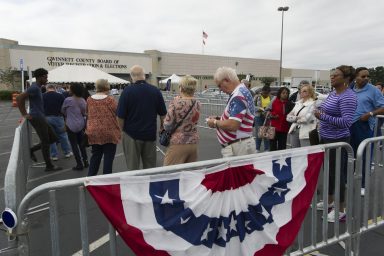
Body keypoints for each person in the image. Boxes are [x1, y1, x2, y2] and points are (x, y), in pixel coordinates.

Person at [314, 65, 357, 223]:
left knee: (338, 174)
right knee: (329, 172)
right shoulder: (333, 93)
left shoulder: (347, 96)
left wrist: (322, 116)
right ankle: (330, 202)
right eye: (332, 75)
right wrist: (319, 110)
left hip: (338, 140)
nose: (332, 77)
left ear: (346, 78)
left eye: (336, 75)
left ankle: (341, 210)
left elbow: (346, 122)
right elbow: (326, 109)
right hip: (326, 137)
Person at [117, 65, 167, 170]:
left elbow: (120, 116)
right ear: (144, 76)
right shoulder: (155, 91)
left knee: (132, 168)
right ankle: (149, 186)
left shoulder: (127, 92)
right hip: (150, 134)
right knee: (150, 167)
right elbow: (163, 114)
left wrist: (121, 132)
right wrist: (162, 127)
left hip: (131, 135)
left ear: (131, 77)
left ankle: (135, 186)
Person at [16, 68, 62, 172]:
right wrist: (24, 114)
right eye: (45, 77)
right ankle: (49, 166)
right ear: (40, 77)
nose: (47, 79)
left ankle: (32, 150)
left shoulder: (38, 87)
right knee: (45, 142)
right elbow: (19, 98)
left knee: (53, 138)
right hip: (37, 118)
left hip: (41, 117)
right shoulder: (34, 88)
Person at [207, 67, 256, 157]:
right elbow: (240, 118)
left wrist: (214, 122)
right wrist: (219, 119)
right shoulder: (242, 91)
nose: (220, 90)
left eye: (219, 86)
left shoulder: (238, 95)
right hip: (241, 144)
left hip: (239, 147)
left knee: (238, 171)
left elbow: (233, 125)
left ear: (226, 80)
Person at [350, 67, 384, 196]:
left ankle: (363, 184)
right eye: (363, 76)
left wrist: (370, 113)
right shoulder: (350, 88)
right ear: (356, 77)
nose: (366, 78)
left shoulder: (373, 90)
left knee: (364, 155)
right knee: (349, 154)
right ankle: (351, 177)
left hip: (363, 125)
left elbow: (382, 107)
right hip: (348, 124)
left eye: (367, 76)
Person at [163, 75, 201, 166]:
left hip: (178, 142)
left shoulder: (175, 103)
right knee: (188, 174)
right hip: (193, 142)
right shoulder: (198, 103)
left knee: (170, 173)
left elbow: (167, 125)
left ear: (181, 88)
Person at [86, 79, 121, 176]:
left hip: (94, 131)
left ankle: (91, 178)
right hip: (109, 132)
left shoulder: (89, 99)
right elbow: (118, 112)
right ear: (107, 86)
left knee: (95, 156)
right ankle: (106, 180)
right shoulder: (110, 99)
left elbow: (87, 113)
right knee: (108, 158)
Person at [62, 84, 88, 171]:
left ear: (73, 90)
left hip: (70, 124)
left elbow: (63, 111)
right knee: (82, 144)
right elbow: (84, 113)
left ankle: (79, 164)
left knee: (74, 145)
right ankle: (86, 161)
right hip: (80, 124)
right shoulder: (82, 100)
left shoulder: (67, 100)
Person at [42, 84, 73, 160]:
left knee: (51, 137)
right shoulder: (60, 96)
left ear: (47, 89)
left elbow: (40, 107)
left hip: (47, 118)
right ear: (55, 88)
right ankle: (67, 152)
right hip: (58, 117)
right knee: (63, 135)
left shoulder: (42, 96)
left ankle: (54, 155)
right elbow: (64, 107)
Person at [269, 87, 294, 151]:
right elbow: (268, 111)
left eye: (286, 93)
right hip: (273, 128)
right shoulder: (274, 101)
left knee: (282, 147)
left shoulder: (290, 103)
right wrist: (273, 115)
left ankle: (281, 160)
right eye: (283, 93)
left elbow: (292, 114)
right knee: (272, 146)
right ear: (279, 93)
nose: (285, 94)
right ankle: (273, 160)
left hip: (284, 128)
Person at [254, 85, 274, 152]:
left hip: (268, 116)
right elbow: (252, 106)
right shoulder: (257, 97)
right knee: (259, 132)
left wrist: (269, 111)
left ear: (269, 92)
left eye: (266, 93)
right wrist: (259, 109)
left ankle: (267, 148)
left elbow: (273, 107)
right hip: (258, 116)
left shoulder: (272, 97)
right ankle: (257, 148)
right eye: (263, 93)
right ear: (261, 91)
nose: (265, 95)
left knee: (267, 132)